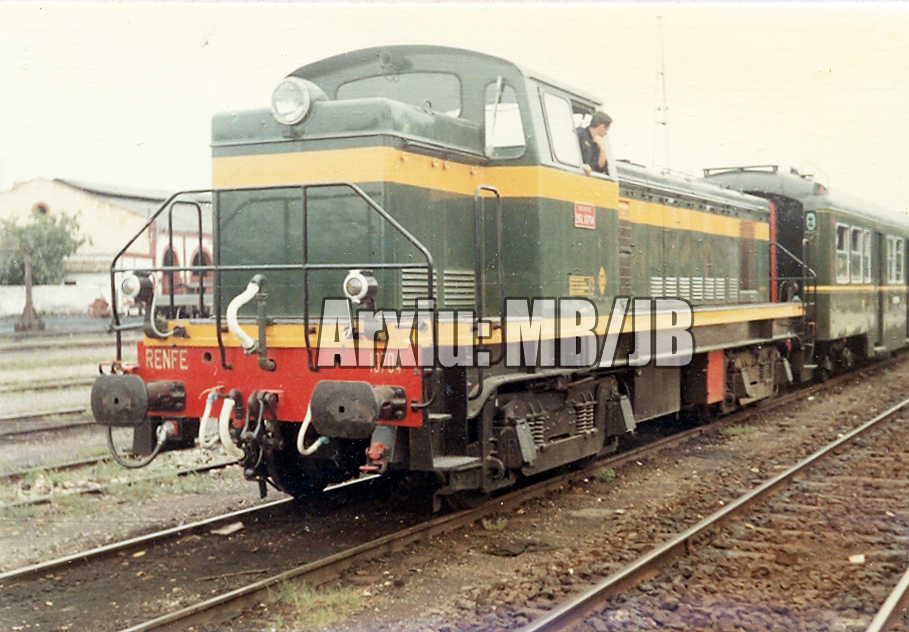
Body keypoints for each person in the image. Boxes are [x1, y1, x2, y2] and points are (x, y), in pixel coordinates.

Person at [577, 111, 612, 176]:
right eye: (606, 129)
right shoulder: (579, 134)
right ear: (601, 127)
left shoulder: (599, 144)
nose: (606, 133)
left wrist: (602, 150)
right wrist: (581, 166)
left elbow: (600, 169)